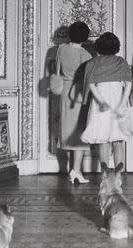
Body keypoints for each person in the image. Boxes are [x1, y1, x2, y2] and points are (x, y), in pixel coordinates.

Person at [81, 32, 132, 169]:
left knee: (103, 140)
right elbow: (128, 84)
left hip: (100, 104)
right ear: (117, 47)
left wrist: (101, 101)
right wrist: (122, 104)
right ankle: (118, 177)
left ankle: (106, 177)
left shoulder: (93, 63)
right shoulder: (121, 62)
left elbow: (91, 84)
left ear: (98, 47)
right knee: (119, 140)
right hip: (118, 100)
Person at [55, 21, 93, 183]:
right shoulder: (86, 55)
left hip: (63, 91)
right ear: (85, 37)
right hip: (78, 94)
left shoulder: (61, 49)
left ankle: (73, 169)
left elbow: (56, 72)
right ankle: (76, 170)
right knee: (79, 132)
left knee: (68, 130)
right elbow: (86, 79)